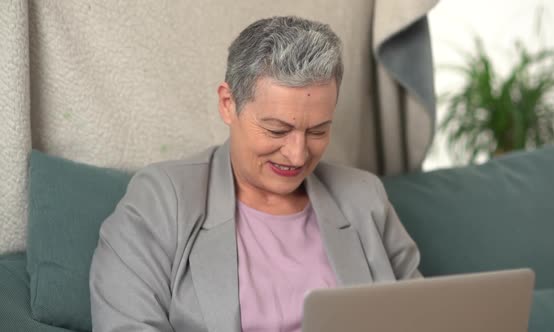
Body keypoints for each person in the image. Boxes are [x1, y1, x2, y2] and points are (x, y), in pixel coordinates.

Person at [90, 15, 421, 332]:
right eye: (277, 130)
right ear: (228, 104)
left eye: (318, 131)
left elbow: (427, 315)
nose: (298, 154)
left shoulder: (363, 197)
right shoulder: (161, 199)